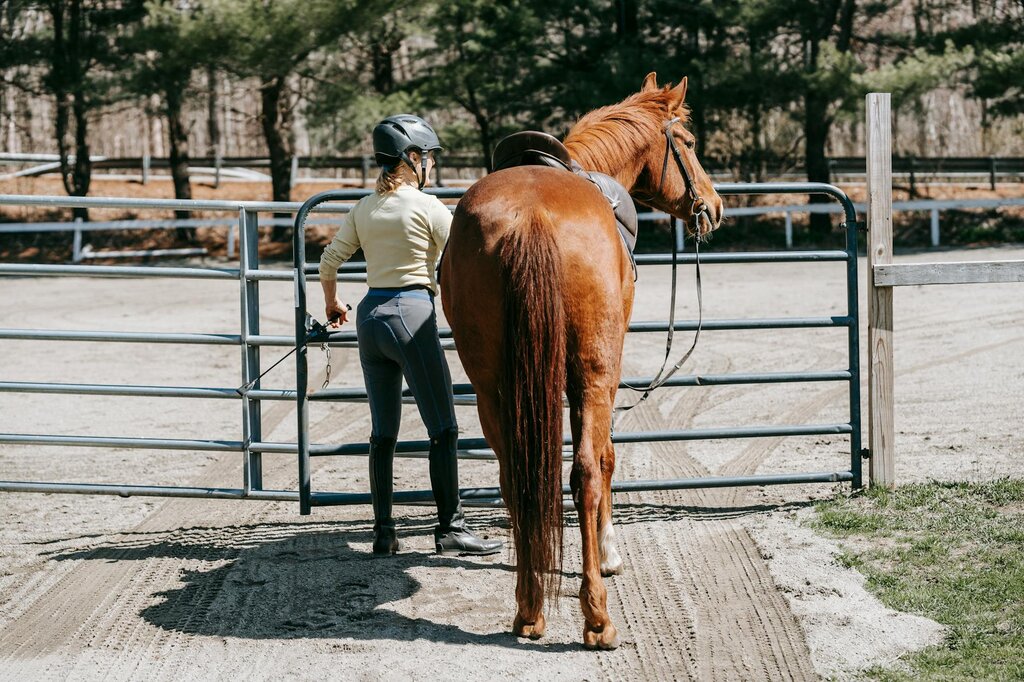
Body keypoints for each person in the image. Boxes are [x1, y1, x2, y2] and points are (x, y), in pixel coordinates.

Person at [318, 114, 502, 557]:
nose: (432, 166)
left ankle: (384, 534)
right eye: (430, 158)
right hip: (411, 315)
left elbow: (328, 261)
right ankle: (451, 527)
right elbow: (465, 258)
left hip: (369, 318)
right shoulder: (429, 207)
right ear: (412, 159)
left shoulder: (364, 207)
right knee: (443, 428)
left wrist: (332, 303)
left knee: (383, 433)